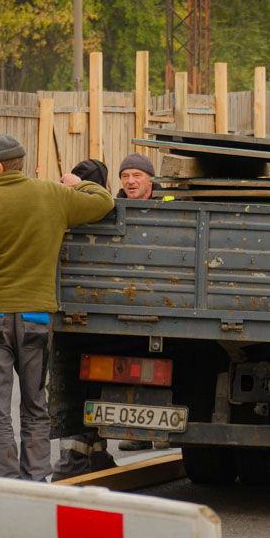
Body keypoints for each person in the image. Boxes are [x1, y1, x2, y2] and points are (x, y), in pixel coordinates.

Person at [0, 135, 115, 481]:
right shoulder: (53, 195)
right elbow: (104, 201)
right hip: (35, 318)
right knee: (35, 404)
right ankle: (36, 479)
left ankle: (7, 481)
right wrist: (81, 182)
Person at [51, 159, 119, 479]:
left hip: (70, 307)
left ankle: (89, 455)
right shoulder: (95, 206)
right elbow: (105, 199)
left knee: (78, 382)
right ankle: (78, 458)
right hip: (105, 308)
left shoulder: (60, 205)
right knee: (88, 383)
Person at [115, 152, 158, 451]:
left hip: (160, 299)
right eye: (125, 176)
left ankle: (149, 430)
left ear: (150, 179)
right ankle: (138, 432)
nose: (130, 181)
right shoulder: (111, 207)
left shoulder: (170, 207)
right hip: (124, 300)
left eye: (136, 175)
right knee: (129, 365)